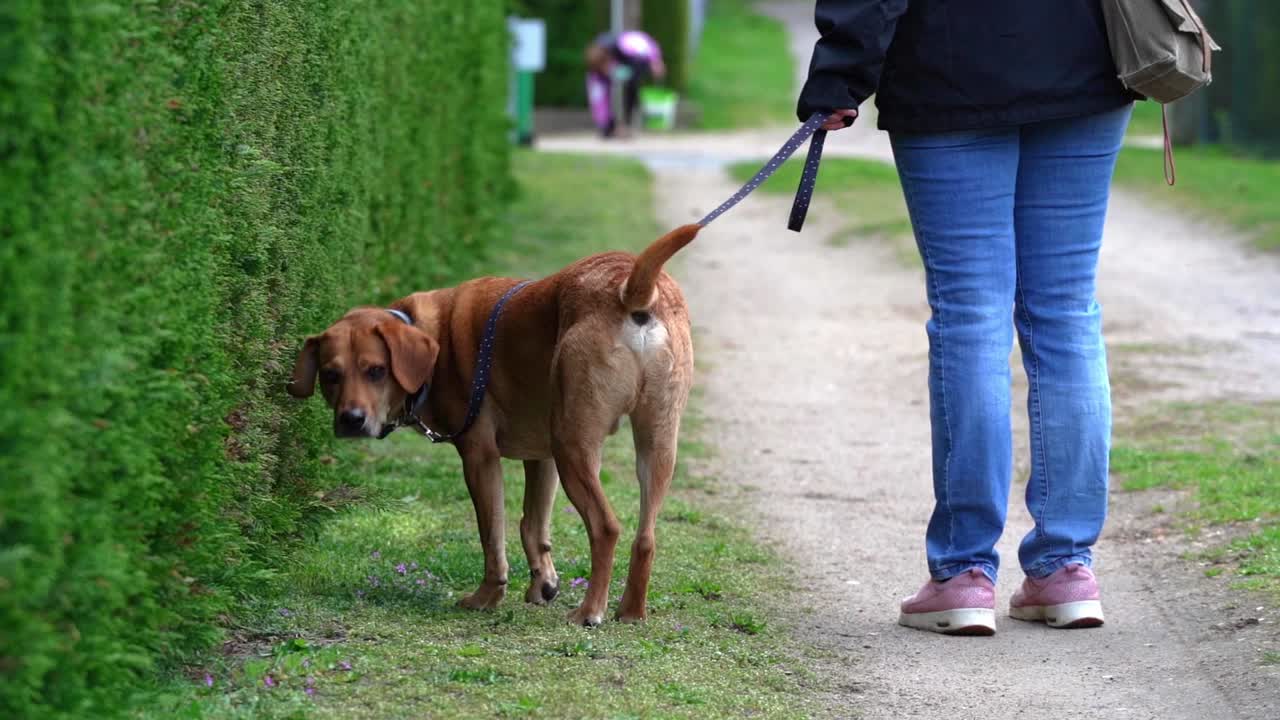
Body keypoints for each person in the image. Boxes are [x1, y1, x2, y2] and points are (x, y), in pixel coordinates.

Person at [797, 0, 1136, 635]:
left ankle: (963, 575)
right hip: (1088, 65)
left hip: (947, 73)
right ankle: (1065, 568)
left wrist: (841, 73)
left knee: (972, 319)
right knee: (1066, 315)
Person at [585, 30, 666, 138]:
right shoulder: (596, 75)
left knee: (631, 85)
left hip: (635, 60)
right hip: (621, 66)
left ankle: (627, 124)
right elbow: (599, 101)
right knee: (605, 126)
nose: (605, 70)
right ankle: (617, 127)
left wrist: (655, 60)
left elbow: (644, 43)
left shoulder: (625, 45)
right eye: (602, 69)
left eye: (605, 66)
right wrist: (606, 125)